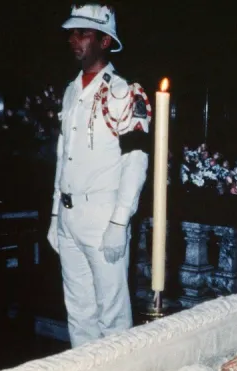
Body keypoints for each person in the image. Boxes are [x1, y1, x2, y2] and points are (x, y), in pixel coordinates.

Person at [47, 4, 152, 347]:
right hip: (69, 216)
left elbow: (135, 160)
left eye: (83, 33)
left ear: (105, 41)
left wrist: (120, 221)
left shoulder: (124, 93)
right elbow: (64, 155)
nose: (74, 40)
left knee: (113, 315)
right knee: (79, 313)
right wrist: (54, 216)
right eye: (72, 34)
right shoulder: (71, 90)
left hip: (103, 216)